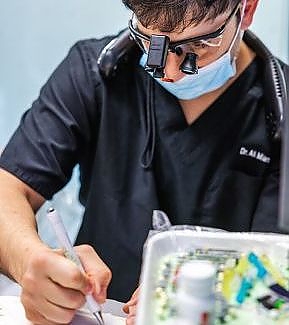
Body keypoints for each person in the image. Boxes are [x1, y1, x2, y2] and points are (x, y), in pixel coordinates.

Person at [0, 0, 287, 324]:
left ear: (246, 9)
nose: (169, 71)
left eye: (197, 45)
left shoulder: (281, 113)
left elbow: (278, 269)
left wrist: (205, 300)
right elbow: (7, 188)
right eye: (150, 41)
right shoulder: (94, 72)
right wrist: (29, 262)